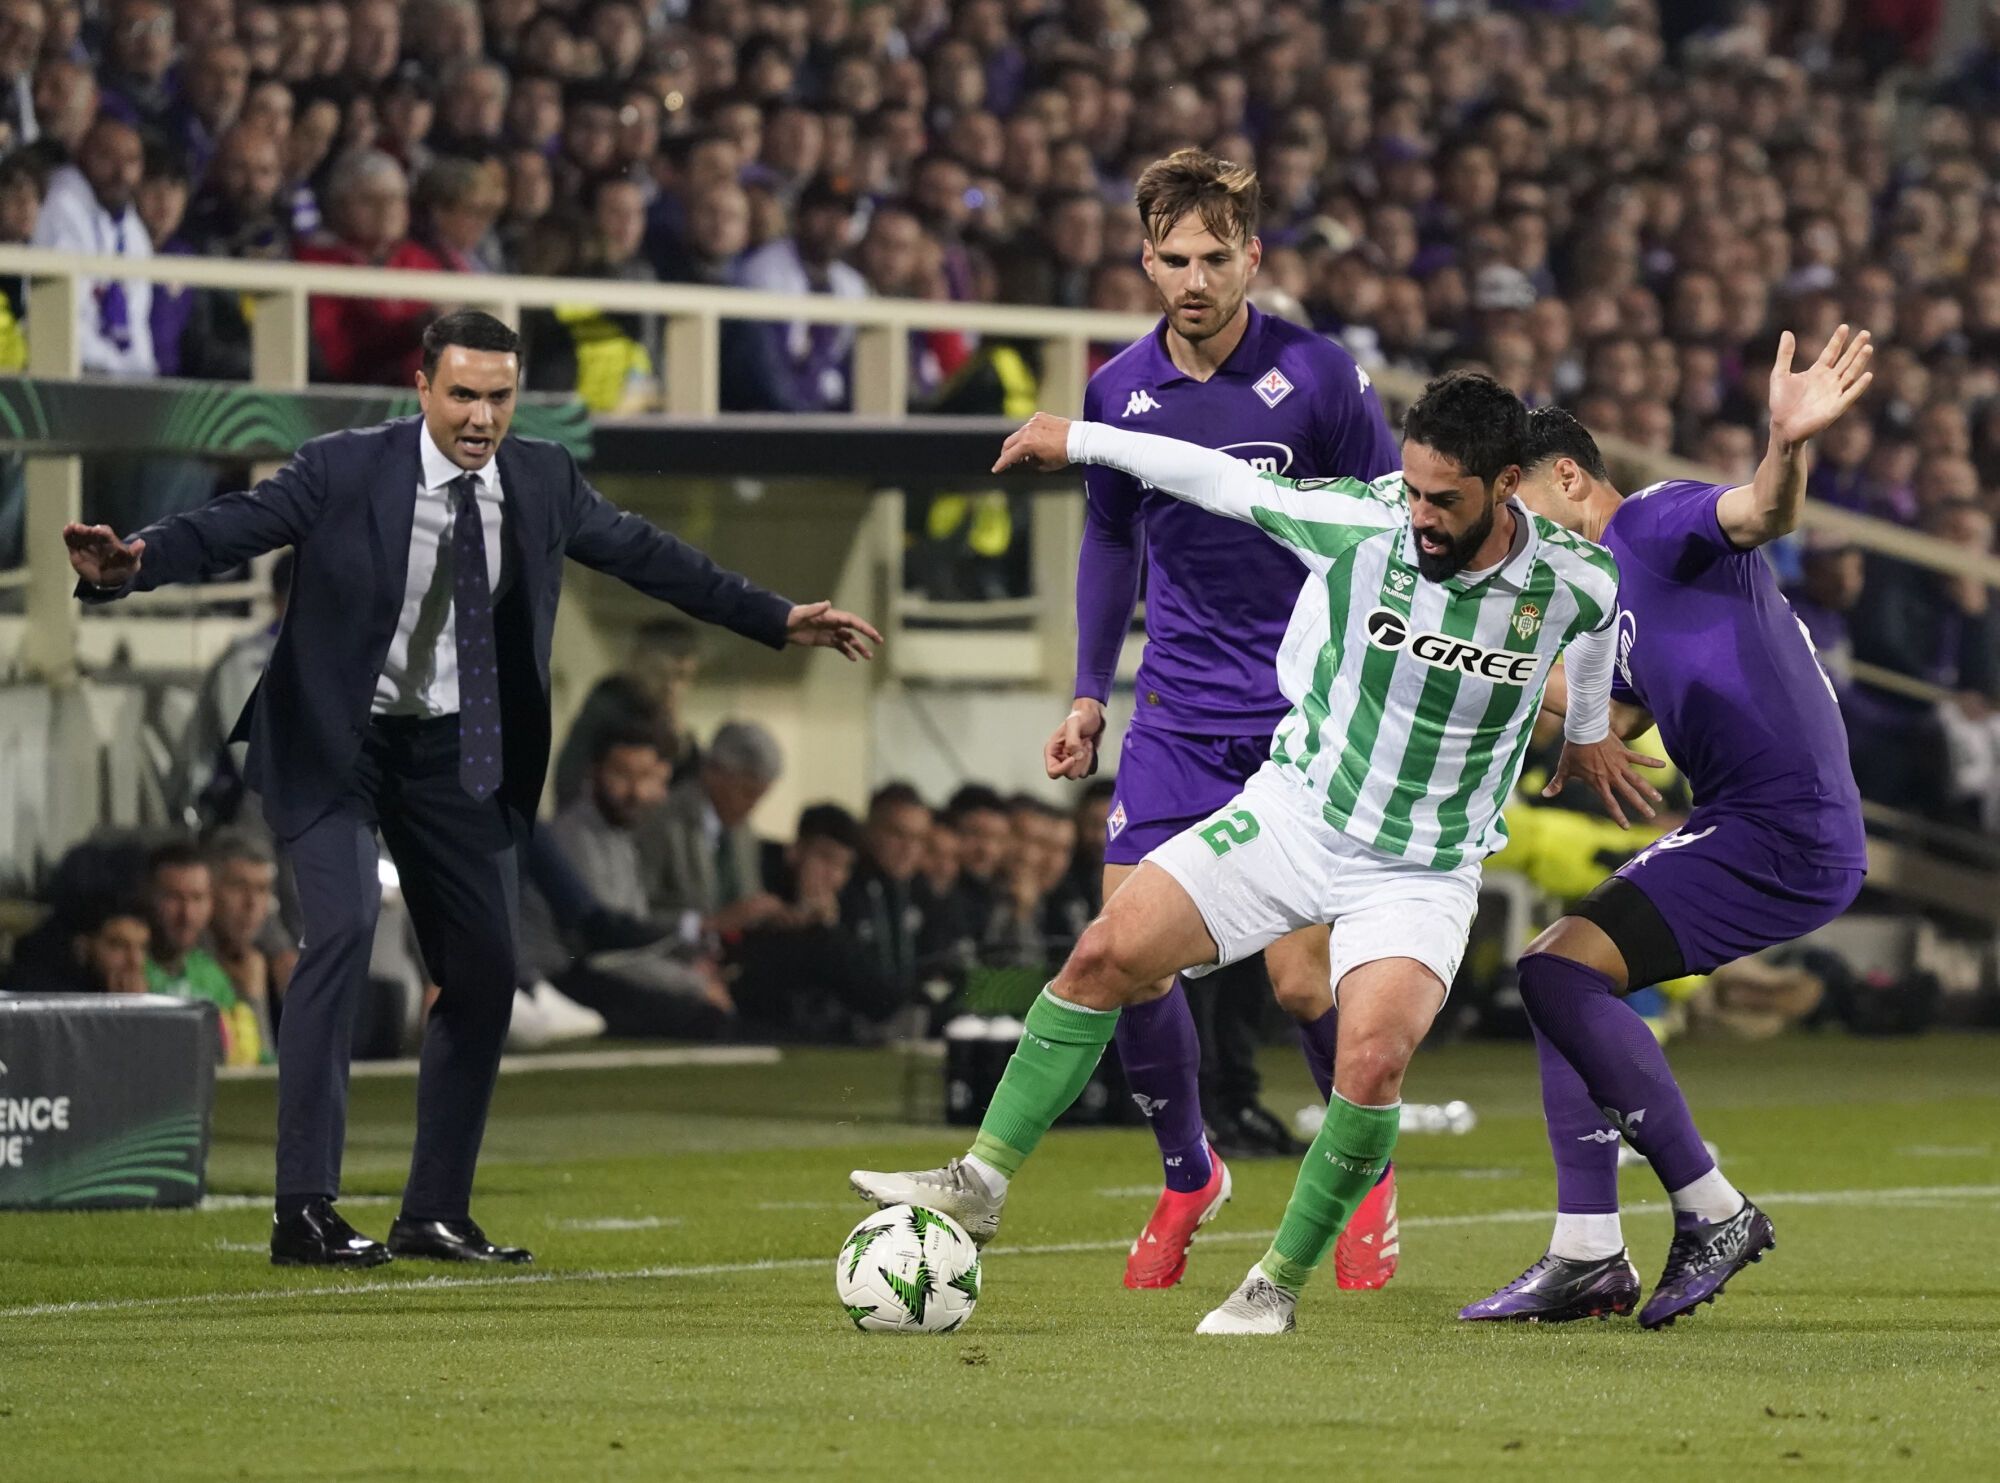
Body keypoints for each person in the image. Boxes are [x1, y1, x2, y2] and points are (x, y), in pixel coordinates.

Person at [63, 310, 880, 1270]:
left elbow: (653, 557)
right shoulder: (344, 468)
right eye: (463, 394)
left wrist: (777, 617)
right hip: (336, 744)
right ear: (422, 388)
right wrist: (137, 564)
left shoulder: (543, 480)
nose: (482, 416)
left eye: (498, 396)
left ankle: (434, 1211)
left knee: (488, 967)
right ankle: (304, 1208)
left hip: (455, 753)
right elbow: (232, 526)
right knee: (343, 933)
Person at [854, 372, 1655, 1336]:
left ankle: (1274, 1282)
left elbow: (1600, 630)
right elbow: (1212, 479)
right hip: (1295, 816)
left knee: (1370, 1061)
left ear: (1508, 483)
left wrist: (1585, 736)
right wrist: (1080, 439)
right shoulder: (1364, 527)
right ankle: (978, 1184)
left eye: (1445, 499)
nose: (1422, 516)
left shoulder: (1573, 577)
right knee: (1105, 954)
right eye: (1411, 490)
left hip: (1422, 868)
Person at [1464, 328, 1874, 1330]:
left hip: (1785, 828)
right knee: (1563, 979)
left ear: (1565, 476)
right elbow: (1596, 702)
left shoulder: (1653, 522)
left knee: (1557, 974)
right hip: (1757, 822)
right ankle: (1585, 1251)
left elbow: (1758, 510)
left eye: (1514, 508)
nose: (1511, 537)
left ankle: (1710, 1207)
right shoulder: (1604, 599)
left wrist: (1784, 443)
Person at [1045, 147, 1403, 1292]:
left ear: (1253, 256)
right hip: (1179, 716)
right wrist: (1090, 689)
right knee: (1125, 960)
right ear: (1144, 261)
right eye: (1172, 259)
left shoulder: (1321, 378)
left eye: (1214, 257)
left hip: (1305, 715)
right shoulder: (1116, 392)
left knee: (1303, 983)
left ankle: (1358, 1174)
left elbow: (1394, 528)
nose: (1192, 279)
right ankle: (1188, 1171)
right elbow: (1109, 542)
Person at [144, 840, 265, 1067]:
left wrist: (253, 999)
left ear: (211, 902)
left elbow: (255, 1064)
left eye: (197, 898)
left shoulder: (212, 975)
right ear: (149, 897)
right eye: (173, 898)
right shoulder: (131, 969)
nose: (187, 915)